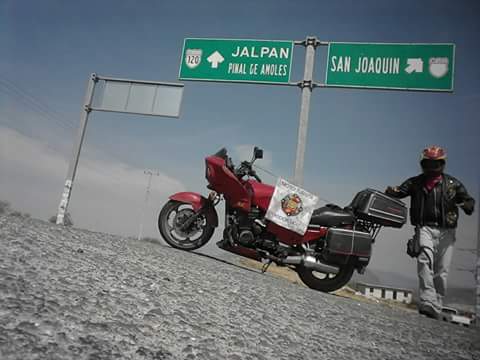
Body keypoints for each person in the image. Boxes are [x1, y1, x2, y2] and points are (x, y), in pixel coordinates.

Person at [385, 145, 475, 319]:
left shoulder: (453, 184)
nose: (432, 167)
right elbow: (400, 191)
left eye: (436, 163)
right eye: (428, 163)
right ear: (423, 164)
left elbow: (469, 200)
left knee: (442, 270)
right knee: (424, 259)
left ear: (442, 164)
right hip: (424, 227)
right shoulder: (415, 182)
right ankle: (427, 300)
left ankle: (436, 304)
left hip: (447, 231)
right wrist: (392, 191)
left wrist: (467, 205)